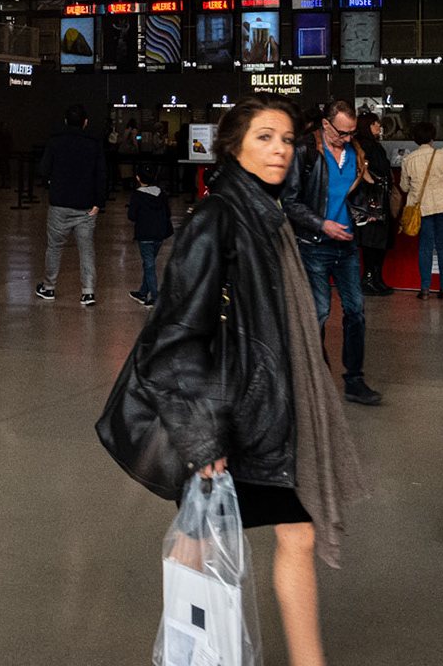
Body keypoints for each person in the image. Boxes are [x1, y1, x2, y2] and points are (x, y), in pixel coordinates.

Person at [118, 95, 368, 666]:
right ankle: (190, 650)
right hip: (228, 416)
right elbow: (175, 338)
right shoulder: (218, 219)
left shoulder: (266, 215)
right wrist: (204, 439)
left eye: (285, 138)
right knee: (204, 540)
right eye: (264, 137)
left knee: (276, 535)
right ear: (233, 147)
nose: (279, 148)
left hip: (259, 408)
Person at [280, 100, 383, 407]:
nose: (349, 138)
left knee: (356, 312)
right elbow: (290, 201)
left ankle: (354, 381)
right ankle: (315, 378)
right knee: (319, 313)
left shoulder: (355, 152)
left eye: (352, 132)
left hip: (347, 246)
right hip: (314, 245)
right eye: (343, 132)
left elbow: (351, 192)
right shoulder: (305, 152)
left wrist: (364, 211)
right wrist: (322, 224)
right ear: (326, 125)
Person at [36, 104, 106, 306]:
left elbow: (43, 169)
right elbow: (101, 175)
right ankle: (88, 292)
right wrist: (98, 203)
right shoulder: (94, 144)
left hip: (59, 203)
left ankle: (49, 288)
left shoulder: (55, 142)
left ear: (65, 121)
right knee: (86, 249)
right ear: (86, 122)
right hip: (86, 206)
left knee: (54, 248)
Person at [398, 122, 443, 300]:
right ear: (432, 137)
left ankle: (425, 289)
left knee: (425, 247)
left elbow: (404, 187)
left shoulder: (408, 160)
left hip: (423, 208)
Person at [352, 111, 396, 298]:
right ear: (367, 126)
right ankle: (370, 277)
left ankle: (375, 277)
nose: (379, 127)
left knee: (379, 240)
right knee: (373, 240)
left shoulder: (369, 145)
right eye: (375, 124)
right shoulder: (365, 146)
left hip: (376, 199)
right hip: (372, 201)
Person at [126, 162, 172, 307]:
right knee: (149, 264)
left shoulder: (137, 196)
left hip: (144, 234)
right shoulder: (162, 194)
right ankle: (142, 292)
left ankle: (154, 296)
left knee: (149, 265)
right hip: (159, 234)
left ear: (138, 178)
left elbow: (132, 216)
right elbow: (168, 214)